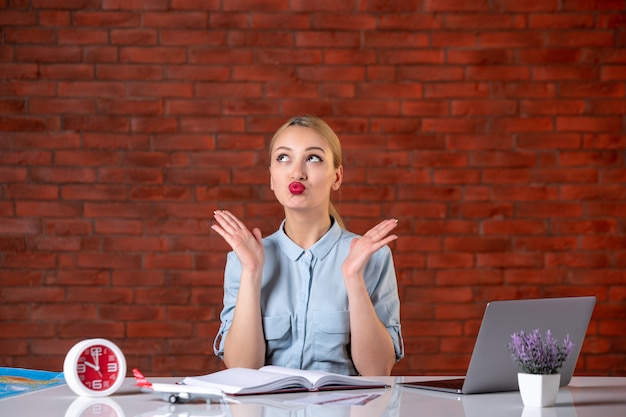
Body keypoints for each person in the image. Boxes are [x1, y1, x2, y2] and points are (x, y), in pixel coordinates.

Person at [212, 115, 404, 376]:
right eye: (283, 158)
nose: (297, 173)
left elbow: (378, 370)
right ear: (271, 178)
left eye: (313, 158)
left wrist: (353, 278)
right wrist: (252, 272)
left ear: (336, 177)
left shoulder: (373, 256)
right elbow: (242, 370)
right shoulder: (242, 260)